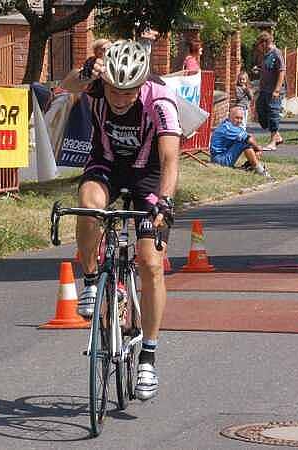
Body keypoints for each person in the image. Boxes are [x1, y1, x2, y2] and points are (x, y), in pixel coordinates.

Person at [60, 40, 181, 401]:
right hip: (107, 165)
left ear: (142, 84)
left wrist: (166, 202)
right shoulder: (95, 86)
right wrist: (85, 72)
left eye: (128, 91)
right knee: (88, 204)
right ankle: (94, 281)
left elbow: (171, 160)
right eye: (114, 89)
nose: (120, 97)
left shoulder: (160, 100)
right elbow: (65, 87)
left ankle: (148, 355)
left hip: (148, 175)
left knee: (150, 261)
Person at [210, 106, 271, 178]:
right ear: (230, 117)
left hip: (222, 156)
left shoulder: (233, 126)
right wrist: (258, 148)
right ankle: (260, 171)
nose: (239, 121)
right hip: (219, 159)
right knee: (245, 142)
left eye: (241, 118)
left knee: (246, 141)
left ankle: (249, 165)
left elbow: (248, 136)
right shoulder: (228, 127)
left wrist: (255, 148)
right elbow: (249, 139)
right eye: (237, 118)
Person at [254, 31, 285, 151]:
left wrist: (277, 90)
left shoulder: (276, 53)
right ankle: (277, 135)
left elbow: (282, 71)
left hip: (274, 90)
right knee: (260, 110)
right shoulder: (266, 54)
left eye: (259, 44)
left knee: (273, 113)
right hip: (264, 89)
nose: (258, 47)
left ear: (265, 43)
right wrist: (259, 69)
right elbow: (268, 68)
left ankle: (273, 141)